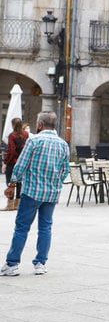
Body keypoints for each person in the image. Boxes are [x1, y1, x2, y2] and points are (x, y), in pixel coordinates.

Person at [2, 111, 68, 276]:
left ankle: (12, 264)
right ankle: (40, 263)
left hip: (32, 191)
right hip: (51, 193)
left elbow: (21, 165)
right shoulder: (63, 144)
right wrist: (56, 184)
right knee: (45, 227)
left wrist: (11, 185)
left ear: (40, 125)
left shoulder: (34, 140)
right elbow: (65, 169)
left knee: (22, 228)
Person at [4, 117, 28, 211]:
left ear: (13, 125)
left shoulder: (12, 135)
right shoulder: (25, 134)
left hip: (13, 162)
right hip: (22, 162)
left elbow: (11, 151)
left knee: (10, 182)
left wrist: (6, 162)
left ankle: (10, 204)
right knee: (19, 183)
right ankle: (17, 204)